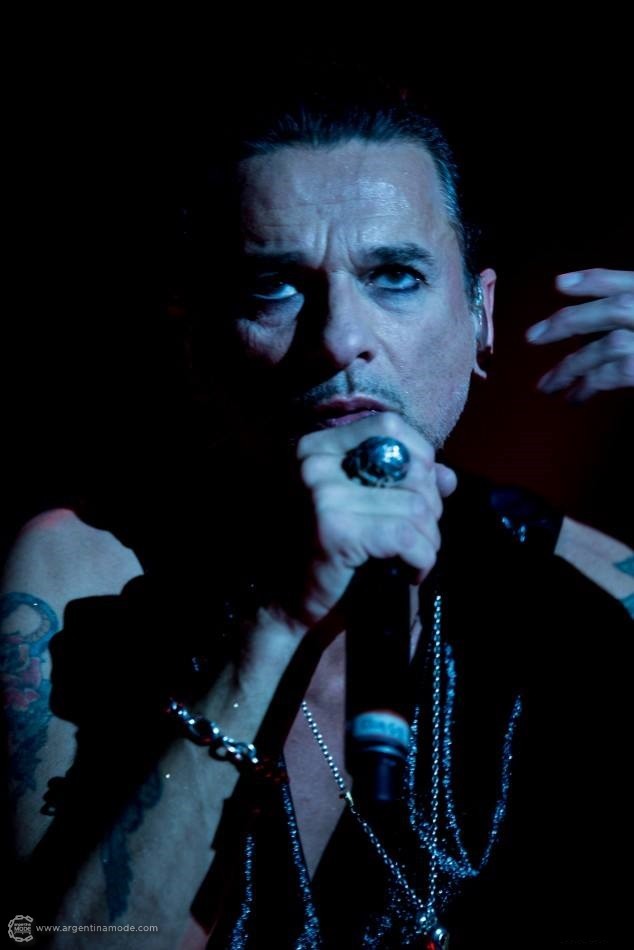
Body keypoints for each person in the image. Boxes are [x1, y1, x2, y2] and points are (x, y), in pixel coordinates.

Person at [2, 82, 633, 949]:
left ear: (480, 317)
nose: (340, 338)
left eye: (396, 277)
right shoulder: (80, 578)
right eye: (274, 286)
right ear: (199, 341)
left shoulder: (586, 589)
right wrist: (277, 623)